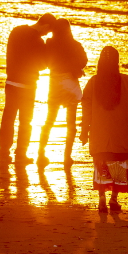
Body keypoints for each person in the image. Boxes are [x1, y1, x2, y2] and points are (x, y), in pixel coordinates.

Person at [80, 46, 128, 213]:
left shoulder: (93, 83)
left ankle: (101, 200)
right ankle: (114, 199)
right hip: (122, 134)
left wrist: (84, 131)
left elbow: (86, 109)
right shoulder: (127, 82)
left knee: (101, 164)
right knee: (119, 164)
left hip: (100, 135)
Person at [0, 12, 57, 166]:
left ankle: (4, 152)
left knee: (8, 118)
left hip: (11, 81)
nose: (46, 34)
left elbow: (10, 54)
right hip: (27, 85)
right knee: (25, 121)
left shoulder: (16, 31)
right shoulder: (38, 42)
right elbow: (44, 65)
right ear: (45, 26)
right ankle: (20, 154)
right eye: (48, 31)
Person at [37, 18, 87, 168]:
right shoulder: (75, 44)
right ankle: (67, 156)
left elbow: (45, 62)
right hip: (69, 83)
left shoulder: (50, 43)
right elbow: (84, 60)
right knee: (70, 123)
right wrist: (74, 68)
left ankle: (40, 153)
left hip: (54, 84)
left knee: (49, 120)